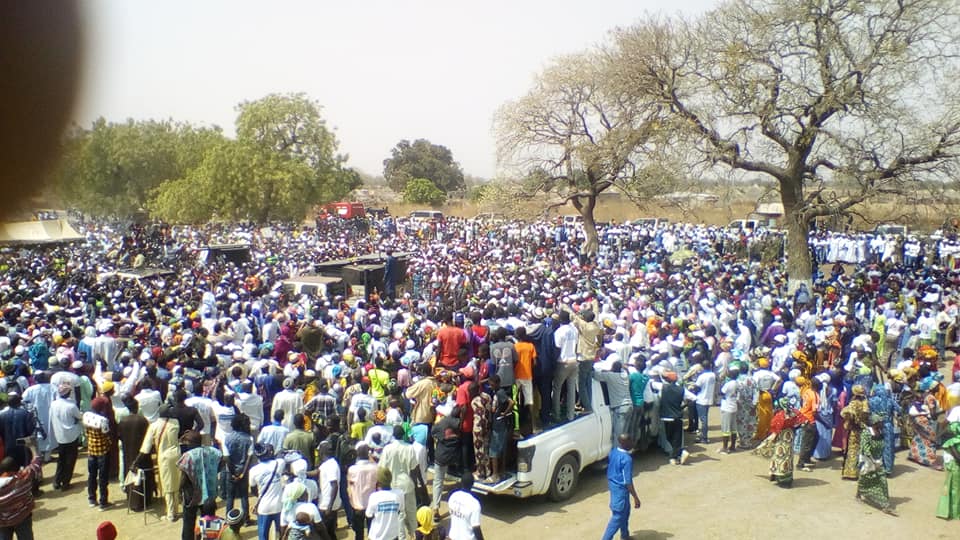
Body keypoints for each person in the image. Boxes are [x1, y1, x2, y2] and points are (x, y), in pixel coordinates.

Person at [178, 430, 223, 540]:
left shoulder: (188, 456)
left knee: (189, 521)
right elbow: (223, 459)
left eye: (187, 442)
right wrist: (215, 472)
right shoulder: (212, 451)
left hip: (192, 494)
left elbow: (184, 477)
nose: (186, 445)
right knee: (207, 519)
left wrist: (179, 490)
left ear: (192, 443)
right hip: (209, 492)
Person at [380, 425, 423, 539]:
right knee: (412, 513)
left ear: (393, 435)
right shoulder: (409, 448)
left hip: (393, 486)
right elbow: (414, 469)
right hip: (407, 485)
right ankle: (414, 536)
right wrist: (418, 486)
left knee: (399, 515)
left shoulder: (387, 449)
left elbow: (383, 469)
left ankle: (402, 537)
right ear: (403, 434)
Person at [139, 403, 181, 521]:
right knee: (176, 483)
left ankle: (170, 514)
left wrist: (137, 461)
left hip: (164, 457)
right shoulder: (175, 423)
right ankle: (176, 510)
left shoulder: (154, 426)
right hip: (177, 455)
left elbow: (146, 447)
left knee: (167, 485)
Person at [601, 433, 641, 540]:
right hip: (621, 491)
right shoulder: (627, 459)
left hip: (613, 485)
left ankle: (625, 536)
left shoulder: (613, 452)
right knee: (618, 516)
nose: (632, 443)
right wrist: (636, 498)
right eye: (630, 441)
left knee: (626, 512)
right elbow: (628, 482)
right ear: (624, 443)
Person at [755, 397, 802, 488]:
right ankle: (788, 479)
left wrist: (770, 439)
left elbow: (775, 429)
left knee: (780, 457)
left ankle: (780, 478)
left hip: (781, 437)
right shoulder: (794, 412)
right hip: (790, 435)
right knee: (788, 457)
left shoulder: (780, 416)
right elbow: (800, 422)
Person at [0, 438, 41, 540]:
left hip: (3, 523)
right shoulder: (23, 479)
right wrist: (32, 447)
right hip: (23, 517)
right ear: (13, 472)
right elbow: (36, 462)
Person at [857, 415, 897, 515]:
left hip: (877, 459)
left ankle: (885, 505)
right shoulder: (866, 433)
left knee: (882, 480)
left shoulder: (880, 432)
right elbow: (866, 449)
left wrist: (879, 460)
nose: (883, 424)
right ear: (875, 423)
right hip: (868, 459)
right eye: (881, 422)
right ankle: (859, 493)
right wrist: (873, 461)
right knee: (865, 478)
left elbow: (882, 447)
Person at [49, 382, 82, 491]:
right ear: (68, 393)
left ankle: (57, 481)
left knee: (61, 459)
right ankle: (65, 483)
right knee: (70, 460)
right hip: (71, 435)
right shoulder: (71, 406)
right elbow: (79, 416)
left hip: (59, 435)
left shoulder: (53, 404)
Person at [84, 393, 114, 510]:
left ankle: (92, 498)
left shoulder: (86, 416)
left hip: (91, 451)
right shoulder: (103, 420)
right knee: (103, 477)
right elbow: (107, 436)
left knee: (92, 475)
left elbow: (86, 432)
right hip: (102, 451)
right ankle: (103, 501)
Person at [223, 414, 254, 524]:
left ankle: (228, 520)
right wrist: (242, 474)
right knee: (244, 496)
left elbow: (226, 458)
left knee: (230, 497)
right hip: (243, 472)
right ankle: (246, 520)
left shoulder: (227, 438)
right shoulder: (249, 439)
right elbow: (249, 459)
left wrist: (232, 474)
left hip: (230, 472)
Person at [249, 443, 283, 540]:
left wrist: (260, 495)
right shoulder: (278, 463)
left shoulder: (253, 470)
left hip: (264, 507)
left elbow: (253, 489)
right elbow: (282, 455)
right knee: (280, 533)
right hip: (279, 506)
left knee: (263, 535)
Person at [347, 443, 378, 540]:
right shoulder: (375, 468)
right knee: (372, 532)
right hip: (372, 505)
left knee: (359, 534)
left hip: (357, 505)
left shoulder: (352, 469)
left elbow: (349, 487)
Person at [840, 384, 870, 480]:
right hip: (863, 428)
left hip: (854, 429)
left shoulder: (853, 403)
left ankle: (851, 472)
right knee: (862, 450)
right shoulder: (865, 403)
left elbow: (844, 413)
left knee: (852, 450)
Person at [365, 467, 403, 540]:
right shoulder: (399, 494)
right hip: (393, 536)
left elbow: (368, 514)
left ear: (378, 482)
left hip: (376, 536)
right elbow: (399, 510)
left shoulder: (374, 497)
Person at [315, 440, 341, 538]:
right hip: (326, 503)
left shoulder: (331, 465)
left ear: (323, 451)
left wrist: (329, 506)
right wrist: (302, 473)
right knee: (328, 533)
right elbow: (317, 472)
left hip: (327, 505)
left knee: (326, 533)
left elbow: (334, 485)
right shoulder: (327, 463)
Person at [446, 472, 483, 540]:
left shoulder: (453, 496)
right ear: (472, 484)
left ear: (461, 482)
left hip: (452, 537)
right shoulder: (474, 503)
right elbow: (476, 528)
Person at [937, 419, 960, 520]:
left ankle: (947, 510)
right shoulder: (952, 442)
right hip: (954, 465)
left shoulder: (951, 440)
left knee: (950, 487)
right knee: (955, 489)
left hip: (952, 464)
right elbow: (958, 457)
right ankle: (954, 512)